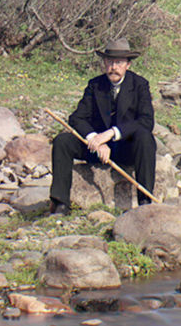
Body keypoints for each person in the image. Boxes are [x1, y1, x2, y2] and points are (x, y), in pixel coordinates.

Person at [48, 38, 156, 214]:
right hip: (96, 150)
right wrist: (95, 139)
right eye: (110, 62)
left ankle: (144, 203)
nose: (113, 67)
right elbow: (76, 118)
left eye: (119, 62)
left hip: (126, 149)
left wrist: (112, 134)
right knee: (63, 141)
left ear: (128, 64)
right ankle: (60, 204)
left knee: (145, 138)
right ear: (104, 63)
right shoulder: (95, 85)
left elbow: (146, 121)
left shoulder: (140, 85)